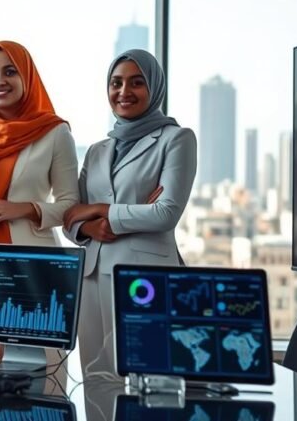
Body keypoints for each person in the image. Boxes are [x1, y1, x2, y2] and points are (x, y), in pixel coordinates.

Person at [63, 49, 197, 376]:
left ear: (154, 88)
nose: (124, 92)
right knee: (96, 377)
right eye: (116, 83)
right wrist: (88, 228)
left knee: (145, 379)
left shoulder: (176, 139)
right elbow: (70, 217)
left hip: (145, 275)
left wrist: (101, 210)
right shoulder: (96, 151)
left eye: (136, 83)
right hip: (92, 275)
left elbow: (165, 213)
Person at [0, 40, 79, 312]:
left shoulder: (54, 133)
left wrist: (25, 209)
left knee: (37, 352)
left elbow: (71, 206)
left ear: (27, 77)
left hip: (33, 267)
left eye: (10, 72)